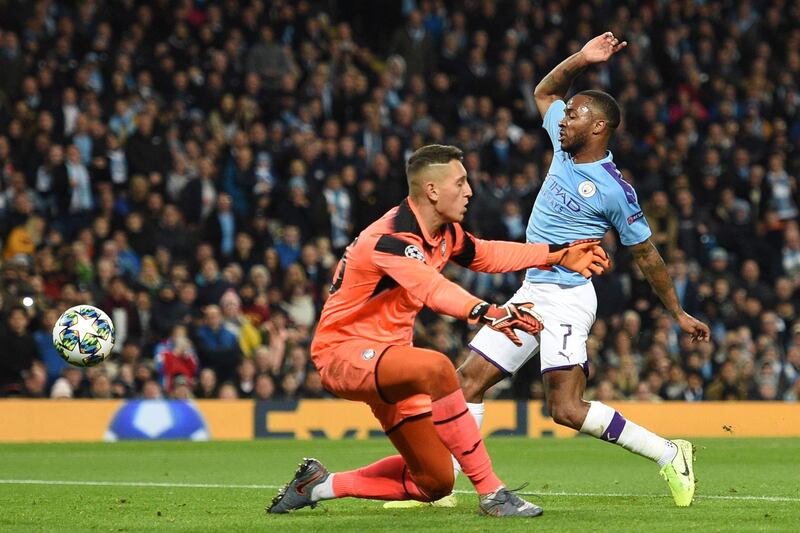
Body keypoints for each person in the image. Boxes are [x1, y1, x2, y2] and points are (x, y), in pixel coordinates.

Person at [398, 33, 709, 509]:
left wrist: (678, 313)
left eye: (576, 113)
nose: (564, 118)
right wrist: (582, 60)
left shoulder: (614, 190)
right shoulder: (562, 146)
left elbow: (646, 255)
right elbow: (545, 92)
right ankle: (439, 487)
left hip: (568, 296)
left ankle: (670, 452)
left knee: (564, 409)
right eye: (566, 115)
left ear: (600, 126)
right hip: (531, 289)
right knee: (468, 381)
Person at [267, 144, 608, 517]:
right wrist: (486, 311)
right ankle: (493, 493)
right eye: (460, 182)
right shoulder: (390, 238)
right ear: (431, 190)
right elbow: (431, 288)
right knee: (438, 368)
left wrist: (555, 254)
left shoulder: (447, 234)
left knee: (432, 481)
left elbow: (486, 254)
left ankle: (317, 485)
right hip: (343, 353)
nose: (469, 191)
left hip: (392, 362)